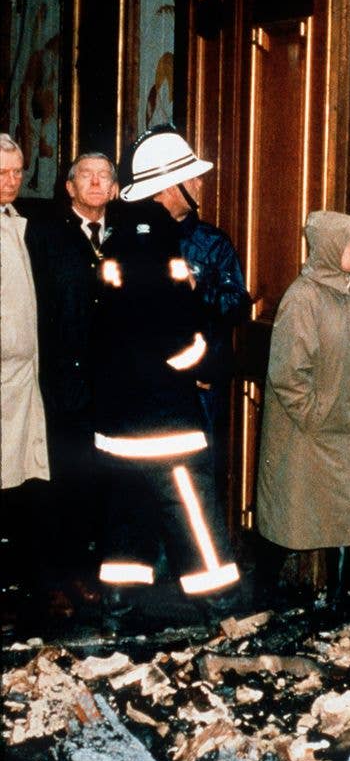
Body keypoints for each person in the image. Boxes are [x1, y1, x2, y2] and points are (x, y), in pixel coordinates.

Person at [93, 164, 243, 636]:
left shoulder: (109, 259)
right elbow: (188, 345)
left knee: (126, 519)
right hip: (170, 428)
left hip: (119, 430)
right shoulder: (167, 259)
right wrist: (203, 366)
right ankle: (224, 609)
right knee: (195, 520)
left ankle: (117, 609)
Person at [120, 126, 251, 500]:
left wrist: (200, 290)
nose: (198, 184)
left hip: (202, 394)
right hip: (149, 395)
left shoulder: (213, 243)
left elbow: (236, 304)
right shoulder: (129, 243)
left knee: (196, 491)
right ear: (167, 186)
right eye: (190, 178)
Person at [255, 210, 350, 612]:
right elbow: (287, 374)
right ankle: (262, 601)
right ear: (328, 247)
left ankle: (340, 605)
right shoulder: (302, 298)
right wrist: (316, 415)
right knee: (291, 519)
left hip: (347, 431)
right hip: (309, 436)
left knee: (344, 519)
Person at [25, 151, 119, 619]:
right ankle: (55, 582)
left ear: (115, 189)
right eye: (87, 175)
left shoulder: (123, 238)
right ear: (69, 187)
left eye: (105, 177)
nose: (97, 182)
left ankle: (89, 574)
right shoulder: (44, 236)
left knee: (100, 485)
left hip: (112, 389)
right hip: (61, 386)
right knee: (60, 484)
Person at [0, 134, 50, 633]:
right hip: (2, 380)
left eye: (17, 171)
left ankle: (23, 592)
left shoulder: (18, 224)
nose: (12, 181)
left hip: (22, 382)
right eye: (2, 174)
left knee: (21, 485)